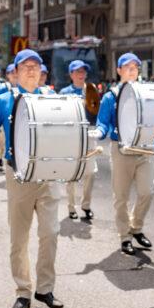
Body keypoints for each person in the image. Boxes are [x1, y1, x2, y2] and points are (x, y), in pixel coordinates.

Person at [0, 48, 64, 308]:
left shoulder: (51, 98)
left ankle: (45, 288)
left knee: (50, 232)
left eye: (35, 66)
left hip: (48, 175)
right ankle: (23, 290)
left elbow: (64, 131)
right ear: (15, 72)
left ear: (41, 72)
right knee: (19, 237)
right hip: (19, 176)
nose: (31, 70)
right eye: (25, 66)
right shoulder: (3, 100)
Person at [94, 53, 154, 256]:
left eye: (135, 67)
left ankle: (136, 226)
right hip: (121, 149)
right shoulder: (111, 95)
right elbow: (103, 121)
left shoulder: (145, 93)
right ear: (119, 70)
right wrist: (100, 132)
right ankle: (125, 236)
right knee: (121, 197)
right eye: (127, 67)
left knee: (147, 191)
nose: (132, 70)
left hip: (143, 149)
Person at [59, 59, 96, 221]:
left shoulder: (92, 90)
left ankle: (86, 205)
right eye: (77, 72)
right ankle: (71, 207)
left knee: (90, 172)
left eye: (83, 71)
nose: (81, 74)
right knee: (72, 173)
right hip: (71, 135)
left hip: (88, 133)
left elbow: (97, 112)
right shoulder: (64, 93)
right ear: (71, 74)